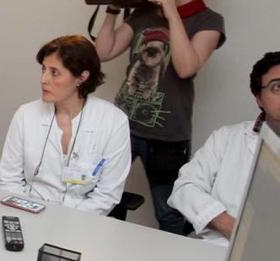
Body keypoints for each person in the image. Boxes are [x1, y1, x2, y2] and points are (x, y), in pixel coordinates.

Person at [94, 0, 225, 232]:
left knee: (169, 211)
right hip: (122, 126)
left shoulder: (209, 20)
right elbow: (103, 52)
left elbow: (186, 68)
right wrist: (113, 8)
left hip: (167, 135)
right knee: (97, 194)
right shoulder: (143, 13)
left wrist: (171, 11)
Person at [0, 36, 131, 215]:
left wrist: (64, 223)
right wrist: (28, 216)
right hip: (28, 213)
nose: (43, 79)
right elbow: (8, 180)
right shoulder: (26, 115)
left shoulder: (114, 121)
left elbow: (106, 195)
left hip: (83, 221)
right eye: (43, 69)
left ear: (82, 77)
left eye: (54, 72)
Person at [168, 52, 280, 245]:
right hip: (219, 249)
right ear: (258, 98)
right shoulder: (226, 138)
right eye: (277, 87)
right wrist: (230, 226)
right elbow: (185, 188)